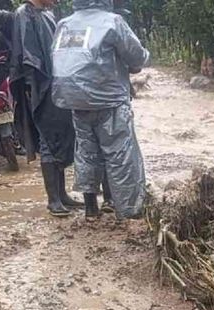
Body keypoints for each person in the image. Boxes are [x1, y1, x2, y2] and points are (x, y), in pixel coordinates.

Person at [51, 0, 148, 220]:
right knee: (119, 154)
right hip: (109, 99)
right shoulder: (113, 21)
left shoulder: (64, 24)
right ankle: (129, 211)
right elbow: (137, 57)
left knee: (86, 152)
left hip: (75, 100)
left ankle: (91, 209)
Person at [10, 0, 78, 217]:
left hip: (55, 84)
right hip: (40, 87)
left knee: (60, 136)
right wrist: (34, 87)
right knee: (48, 139)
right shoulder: (24, 14)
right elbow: (28, 57)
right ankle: (53, 200)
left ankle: (62, 193)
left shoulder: (47, 14)